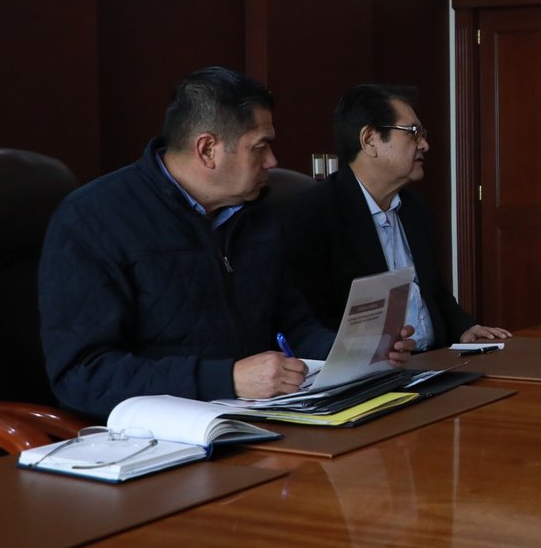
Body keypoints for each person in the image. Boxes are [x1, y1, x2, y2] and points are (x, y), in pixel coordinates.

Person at [39, 66, 411, 420]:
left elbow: (294, 326)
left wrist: (356, 352)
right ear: (207, 150)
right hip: (162, 436)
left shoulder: (254, 214)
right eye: (260, 147)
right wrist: (227, 379)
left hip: (265, 417)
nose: (273, 161)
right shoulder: (94, 218)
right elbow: (82, 375)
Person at [281, 84, 509, 350]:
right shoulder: (314, 214)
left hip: (435, 361)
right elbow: (309, 320)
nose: (424, 144)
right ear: (370, 140)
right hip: (367, 368)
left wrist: (465, 328)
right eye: (413, 133)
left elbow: (434, 293)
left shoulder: (414, 208)